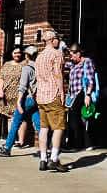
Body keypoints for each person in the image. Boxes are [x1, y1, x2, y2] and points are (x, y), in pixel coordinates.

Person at [0, 45, 42, 157]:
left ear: (27, 56)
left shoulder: (26, 68)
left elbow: (22, 86)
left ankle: (7, 148)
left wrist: (19, 102)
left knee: (15, 122)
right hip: (35, 99)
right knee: (39, 124)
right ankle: (44, 149)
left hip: (27, 99)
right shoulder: (38, 67)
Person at [34, 30, 69, 173]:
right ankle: (54, 158)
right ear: (52, 40)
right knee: (59, 127)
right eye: (57, 39)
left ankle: (43, 158)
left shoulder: (39, 56)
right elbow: (58, 75)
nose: (58, 41)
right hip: (53, 94)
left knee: (44, 127)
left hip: (41, 95)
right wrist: (62, 92)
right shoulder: (56, 54)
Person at [65, 43, 96, 152]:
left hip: (82, 93)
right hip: (73, 95)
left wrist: (87, 95)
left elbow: (90, 79)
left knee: (78, 118)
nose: (71, 57)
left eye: (72, 54)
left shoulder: (87, 62)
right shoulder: (73, 64)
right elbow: (63, 64)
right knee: (79, 119)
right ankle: (83, 143)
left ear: (78, 53)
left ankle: (76, 144)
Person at [0, 46, 25, 126]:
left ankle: (18, 138)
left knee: (17, 117)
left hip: (17, 94)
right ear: (12, 54)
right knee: (8, 116)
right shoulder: (6, 64)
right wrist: (0, 90)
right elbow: (1, 78)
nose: (17, 55)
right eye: (15, 53)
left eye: (19, 53)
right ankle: (10, 137)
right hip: (6, 95)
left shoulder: (23, 65)